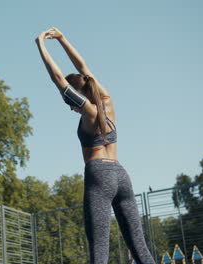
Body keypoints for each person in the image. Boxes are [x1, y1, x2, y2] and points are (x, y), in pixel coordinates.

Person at [35, 27, 156, 264]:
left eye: (70, 103)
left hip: (99, 174)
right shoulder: (107, 102)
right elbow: (84, 69)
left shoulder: (88, 111)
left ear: (77, 97)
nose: (71, 108)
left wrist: (40, 43)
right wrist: (61, 38)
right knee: (140, 248)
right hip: (121, 175)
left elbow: (58, 80)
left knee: (99, 251)